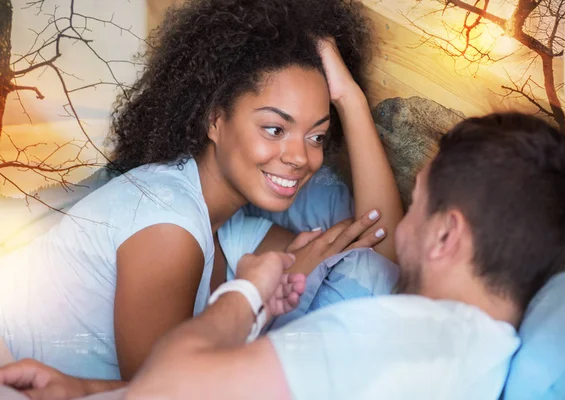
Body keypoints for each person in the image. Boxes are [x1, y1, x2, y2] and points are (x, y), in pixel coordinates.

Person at [0, 112, 565, 400]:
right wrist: (86, 390)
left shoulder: (405, 335)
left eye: (418, 204)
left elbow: (168, 388)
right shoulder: (472, 353)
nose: (400, 226)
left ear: (445, 236)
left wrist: (248, 292)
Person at [0, 0, 402, 382]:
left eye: (317, 136)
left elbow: (382, 261)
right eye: (274, 129)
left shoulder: (231, 231)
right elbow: (163, 391)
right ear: (214, 119)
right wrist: (259, 295)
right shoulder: (168, 219)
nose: (300, 157)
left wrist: (350, 100)